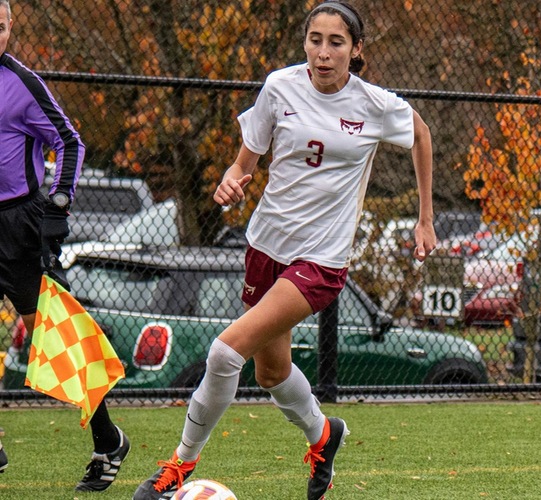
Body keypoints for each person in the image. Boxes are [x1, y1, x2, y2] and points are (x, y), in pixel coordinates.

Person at [132, 2, 436, 499]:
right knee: (270, 371)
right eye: (315, 40)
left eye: (336, 42)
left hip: (320, 260)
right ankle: (323, 435)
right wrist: (232, 182)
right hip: (266, 245)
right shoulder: (279, 87)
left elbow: (421, 133)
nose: (323, 52)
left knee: (224, 351)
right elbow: (241, 165)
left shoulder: (374, 105)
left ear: (356, 50)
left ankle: (177, 467)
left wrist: (426, 218)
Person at [0, 0, 130, 491]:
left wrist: (58, 205)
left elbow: (69, 142)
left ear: (11, 28)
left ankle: (108, 440)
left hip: (20, 226)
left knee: (53, 338)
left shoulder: (23, 85)